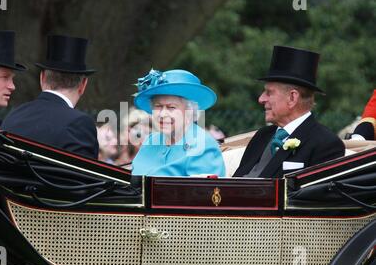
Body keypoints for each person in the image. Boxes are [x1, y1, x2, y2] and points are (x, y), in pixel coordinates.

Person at [233, 46, 345, 178]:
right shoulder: (262, 135)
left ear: (292, 97)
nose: (261, 99)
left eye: (269, 93)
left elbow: (313, 197)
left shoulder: (325, 144)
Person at [1, 35, 99, 159]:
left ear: (42, 78)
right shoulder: (80, 123)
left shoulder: (14, 115)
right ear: (83, 85)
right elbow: (83, 177)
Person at [131, 69, 226, 177]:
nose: (162, 114)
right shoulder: (151, 140)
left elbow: (203, 192)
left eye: (171, 107)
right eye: (158, 106)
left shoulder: (203, 145)